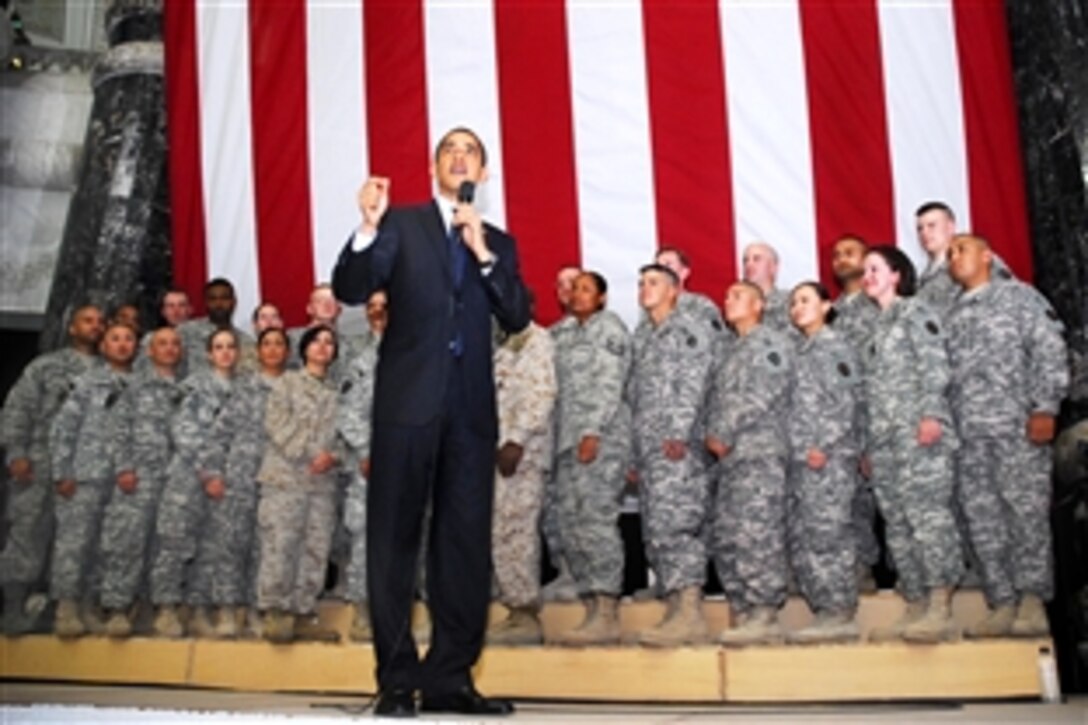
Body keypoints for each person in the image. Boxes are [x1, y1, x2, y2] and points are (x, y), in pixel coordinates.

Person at [331, 126, 529, 717]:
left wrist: (483, 254)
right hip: (406, 410)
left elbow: (517, 315)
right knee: (392, 542)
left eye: (470, 152)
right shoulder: (401, 224)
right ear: (433, 167)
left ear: (484, 173)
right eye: (450, 150)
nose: (459, 157)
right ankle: (396, 681)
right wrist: (367, 226)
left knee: (463, 547)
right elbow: (350, 286)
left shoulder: (497, 240)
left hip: (470, 417)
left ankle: (450, 680)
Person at [947, 234, 1069, 638]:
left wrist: (1045, 407)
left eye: (960, 249)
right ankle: (1001, 601)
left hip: (1016, 427)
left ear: (987, 255)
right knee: (982, 520)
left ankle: (1031, 601)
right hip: (968, 434)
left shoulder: (1019, 297)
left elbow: (1049, 349)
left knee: (1024, 513)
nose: (953, 258)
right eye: (949, 254)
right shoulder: (951, 312)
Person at [861, 245, 962, 644]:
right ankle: (916, 602)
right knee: (899, 523)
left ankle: (940, 605)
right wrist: (870, 445)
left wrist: (931, 414)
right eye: (866, 270)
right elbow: (871, 393)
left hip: (919, 432)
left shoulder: (914, 312)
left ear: (896, 275)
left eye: (875, 269)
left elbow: (934, 364)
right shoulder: (875, 329)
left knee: (928, 516)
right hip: (887, 441)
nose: (867, 276)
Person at [627, 264, 716, 647]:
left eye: (654, 283)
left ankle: (690, 611)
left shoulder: (688, 332)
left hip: (676, 446)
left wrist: (679, 431)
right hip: (650, 448)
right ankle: (674, 604)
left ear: (675, 291)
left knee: (678, 524)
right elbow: (634, 399)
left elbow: (694, 384)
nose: (645, 289)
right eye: (642, 283)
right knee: (658, 526)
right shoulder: (645, 337)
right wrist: (634, 454)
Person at [1, 304, 103, 634]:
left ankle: (60, 606)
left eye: (100, 322)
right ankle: (13, 607)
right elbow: (18, 410)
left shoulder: (109, 373)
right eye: (87, 321)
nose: (95, 327)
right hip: (39, 466)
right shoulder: (46, 367)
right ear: (72, 328)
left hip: (86, 469)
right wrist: (16, 452)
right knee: (28, 534)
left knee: (75, 542)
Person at [707, 282, 794, 647]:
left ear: (759, 305)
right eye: (726, 295)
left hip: (760, 454)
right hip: (732, 459)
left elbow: (763, 393)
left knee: (758, 532)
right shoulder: (731, 349)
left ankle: (764, 612)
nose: (728, 300)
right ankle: (743, 607)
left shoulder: (769, 342)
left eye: (737, 296)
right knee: (731, 533)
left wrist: (723, 430)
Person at [192, 326, 291, 639]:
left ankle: (256, 610)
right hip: (238, 479)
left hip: (276, 482)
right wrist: (213, 473)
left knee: (267, 550)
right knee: (231, 547)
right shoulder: (243, 388)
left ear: (287, 352)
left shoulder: (293, 389)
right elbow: (219, 433)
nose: (273, 349)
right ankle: (226, 611)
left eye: (279, 344)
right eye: (267, 344)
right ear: (258, 351)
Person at [548, 272, 630, 646]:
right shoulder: (561, 334)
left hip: (600, 440)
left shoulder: (608, 330)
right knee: (573, 523)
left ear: (601, 298)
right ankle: (589, 604)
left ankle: (607, 609)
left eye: (586, 289)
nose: (577, 295)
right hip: (566, 441)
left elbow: (609, 384)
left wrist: (592, 431)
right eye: (573, 289)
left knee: (596, 521)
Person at [785, 282, 865, 644]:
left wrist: (825, 443)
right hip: (803, 459)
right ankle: (825, 610)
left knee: (830, 533)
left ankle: (840, 610)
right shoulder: (801, 350)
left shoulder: (834, 346)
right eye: (793, 303)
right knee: (810, 534)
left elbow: (846, 401)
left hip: (827, 458)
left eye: (805, 300)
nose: (797, 308)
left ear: (827, 306)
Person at [148, 328, 239, 637]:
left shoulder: (244, 390)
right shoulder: (192, 388)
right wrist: (208, 471)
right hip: (189, 478)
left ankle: (199, 609)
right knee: (175, 542)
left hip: (226, 481)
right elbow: (184, 433)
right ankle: (167, 609)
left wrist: (225, 473)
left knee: (213, 546)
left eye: (230, 347)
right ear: (208, 354)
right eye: (218, 347)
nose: (225, 352)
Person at [48, 321, 137, 637]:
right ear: (103, 346)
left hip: (124, 481)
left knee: (111, 545)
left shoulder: (141, 385)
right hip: (86, 475)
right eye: (115, 339)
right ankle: (67, 606)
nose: (123, 344)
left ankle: (93, 606)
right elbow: (63, 430)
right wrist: (62, 471)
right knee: (75, 542)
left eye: (129, 339)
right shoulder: (86, 383)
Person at [255, 326, 343, 643]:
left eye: (329, 343)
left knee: (315, 549)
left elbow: (347, 437)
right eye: (316, 342)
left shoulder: (337, 393)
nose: (323, 347)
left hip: (321, 485)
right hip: (286, 480)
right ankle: (277, 612)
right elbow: (276, 424)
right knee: (281, 545)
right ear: (304, 349)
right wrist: (312, 451)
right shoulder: (287, 384)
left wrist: (333, 456)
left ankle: (303, 612)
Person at [99, 325, 183, 637]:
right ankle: (119, 608)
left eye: (175, 344)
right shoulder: (134, 388)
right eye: (162, 343)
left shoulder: (186, 391)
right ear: (150, 350)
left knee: (170, 545)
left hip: (174, 480)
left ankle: (165, 607)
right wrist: (124, 467)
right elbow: (118, 429)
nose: (170, 349)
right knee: (128, 540)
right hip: (139, 477)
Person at [486, 294, 557, 645]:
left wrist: (516, 439)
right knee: (502, 529)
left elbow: (541, 394)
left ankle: (525, 614)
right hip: (497, 451)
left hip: (521, 453)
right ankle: (514, 608)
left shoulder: (536, 340)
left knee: (517, 530)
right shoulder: (502, 344)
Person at [829, 234, 881, 589]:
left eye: (850, 252)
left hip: (879, 415)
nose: (841, 259)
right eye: (836, 255)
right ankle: (858, 569)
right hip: (839, 421)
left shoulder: (878, 306)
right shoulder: (830, 313)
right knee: (848, 501)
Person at [338, 291, 387, 642]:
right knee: (366, 538)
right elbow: (349, 413)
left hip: (412, 462)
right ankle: (362, 611)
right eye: (371, 308)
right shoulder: (360, 359)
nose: (378, 314)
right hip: (371, 463)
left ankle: (406, 612)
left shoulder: (417, 354)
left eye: (385, 307)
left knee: (411, 540)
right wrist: (368, 449)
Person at [541, 265, 582, 604]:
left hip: (583, 436)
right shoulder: (549, 336)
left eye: (575, 283)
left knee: (586, 510)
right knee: (557, 511)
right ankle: (565, 571)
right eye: (561, 284)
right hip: (553, 436)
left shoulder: (600, 331)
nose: (567, 289)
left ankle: (589, 579)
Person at [176, 278, 252, 379]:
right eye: (213, 299)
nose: (219, 304)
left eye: (224, 298)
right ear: (206, 302)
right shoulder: (185, 333)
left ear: (234, 302)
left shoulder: (246, 341)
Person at [742, 242, 791, 333]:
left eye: (756, 259)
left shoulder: (790, 302)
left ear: (773, 267)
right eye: (745, 260)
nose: (749, 264)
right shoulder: (737, 304)